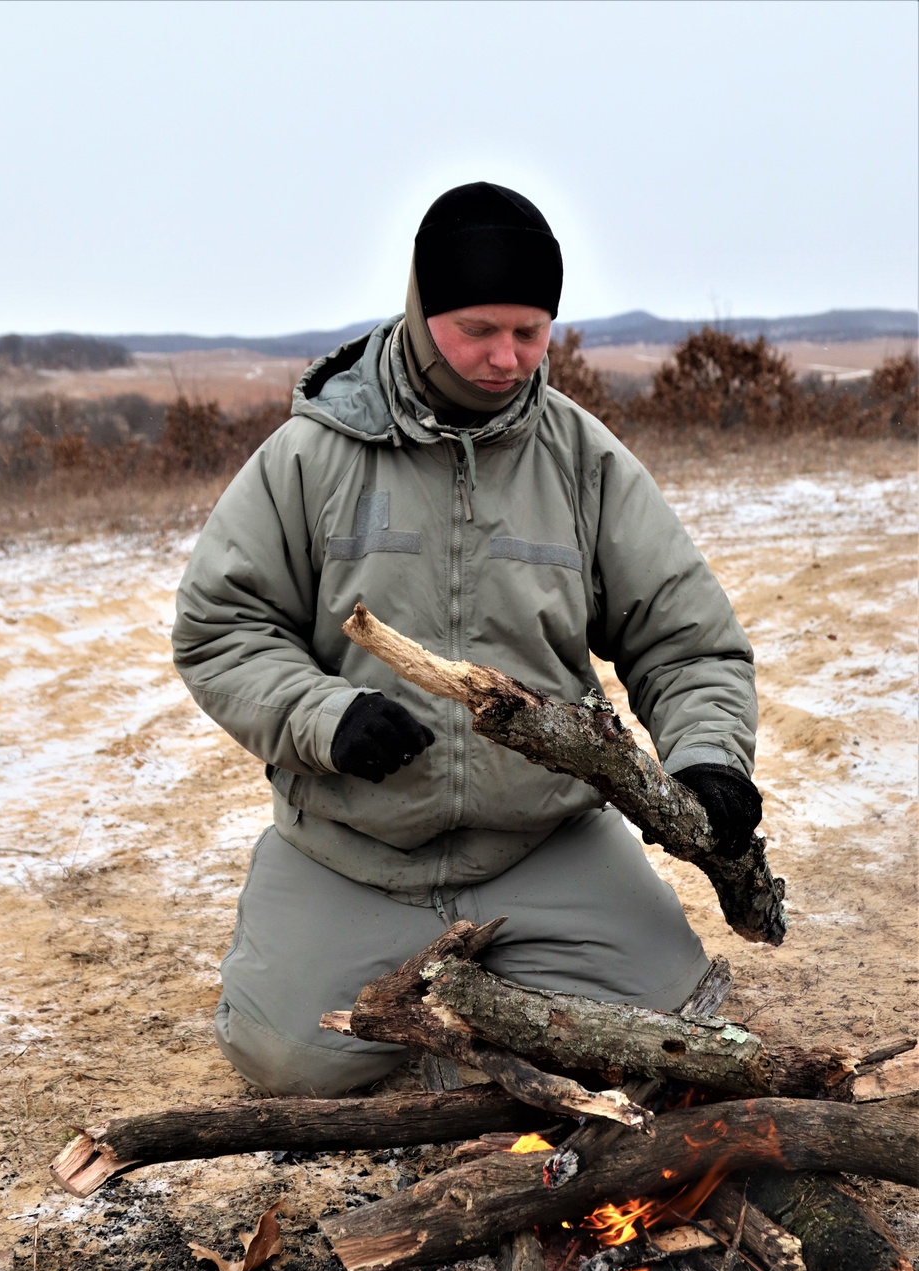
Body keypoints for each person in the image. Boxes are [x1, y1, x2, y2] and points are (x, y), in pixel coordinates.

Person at [172, 182, 763, 1098]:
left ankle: (498, 979)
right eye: (478, 329)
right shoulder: (310, 454)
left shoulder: (583, 458)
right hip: (352, 848)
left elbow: (688, 642)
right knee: (286, 1061)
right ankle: (426, 977)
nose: (505, 357)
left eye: (530, 332)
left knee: (675, 1027)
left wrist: (709, 758)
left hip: (545, 841)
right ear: (421, 310)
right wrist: (324, 716)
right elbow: (221, 627)